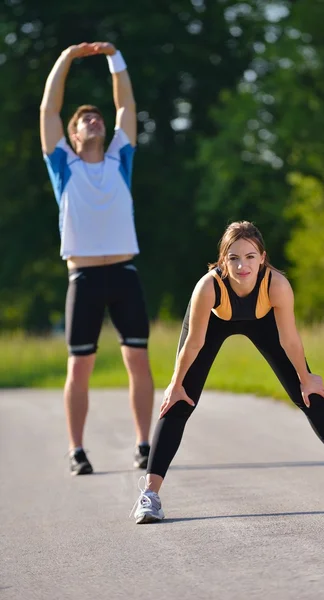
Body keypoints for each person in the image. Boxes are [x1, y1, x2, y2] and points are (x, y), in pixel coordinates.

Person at [132, 221, 324, 523]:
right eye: (234, 258)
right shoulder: (208, 287)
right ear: (223, 259)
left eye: (250, 257)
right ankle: (150, 496)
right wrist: (175, 383)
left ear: (263, 257)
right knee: (179, 400)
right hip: (213, 322)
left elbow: (289, 339)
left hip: (262, 320)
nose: (242, 266)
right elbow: (194, 342)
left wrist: (306, 378)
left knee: (308, 394)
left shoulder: (276, 285)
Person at [40, 42, 154, 475]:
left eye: (98, 117)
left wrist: (114, 58)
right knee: (79, 367)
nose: (94, 119)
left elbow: (125, 102)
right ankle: (77, 449)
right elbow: (48, 109)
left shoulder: (120, 158)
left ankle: (144, 444)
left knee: (137, 360)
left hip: (124, 275)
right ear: (72, 135)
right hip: (83, 278)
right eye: (85, 118)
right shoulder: (63, 165)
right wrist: (67, 58)